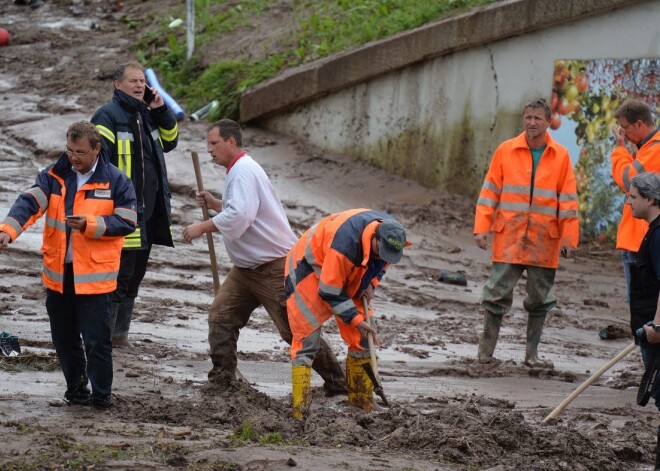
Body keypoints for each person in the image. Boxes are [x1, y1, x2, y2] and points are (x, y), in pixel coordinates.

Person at [182, 119, 347, 395]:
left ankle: (338, 383)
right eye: (208, 144)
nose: (209, 150)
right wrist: (216, 204)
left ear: (231, 142)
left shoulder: (243, 171)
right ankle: (223, 379)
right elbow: (244, 208)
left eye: (214, 143)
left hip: (275, 267)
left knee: (294, 329)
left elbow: (240, 217)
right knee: (221, 316)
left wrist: (202, 226)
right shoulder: (239, 170)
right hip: (245, 269)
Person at [0, 121, 137, 408]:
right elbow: (29, 203)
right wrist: (8, 230)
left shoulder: (116, 181)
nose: (74, 157)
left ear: (96, 149)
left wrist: (89, 225)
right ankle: (76, 393)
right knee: (64, 341)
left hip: (95, 279)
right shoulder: (54, 175)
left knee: (97, 343)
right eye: (70, 150)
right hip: (60, 275)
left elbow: (127, 221)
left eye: (80, 152)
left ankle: (101, 398)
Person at [473, 98, 579, 367]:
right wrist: (481, 228)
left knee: (540, 299)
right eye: (528, 117)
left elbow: (568, 201)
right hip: (509, 237)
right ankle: (485, 354)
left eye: (537, 118)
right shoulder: (505, 150)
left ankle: (531, 356)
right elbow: (490, 192)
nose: (532, 122)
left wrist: (569, 238)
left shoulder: (561, 156)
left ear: (548, 122)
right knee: (495, 294)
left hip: (545, 241)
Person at [285, 209, 410, 419]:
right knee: (307, 340)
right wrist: (355, 319)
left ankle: (361, 402)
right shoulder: (345, 244)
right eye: (381, 252)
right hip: (310, 266)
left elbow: (381, 265)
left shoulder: (392, 238)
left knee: (363, 337)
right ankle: (300, 411)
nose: (384, 257)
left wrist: (372, 282)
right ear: (374, 239)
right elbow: (329, 291)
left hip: (351, 268)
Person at [91, 61, 179, 348]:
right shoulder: (107, 116)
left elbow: (170, 142)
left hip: (150, 212)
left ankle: (120, 335)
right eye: (133, 81)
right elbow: (97, 164)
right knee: (120, 276)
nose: (140, 85)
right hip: (123, 212)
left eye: (142, 81)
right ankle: (106, 336)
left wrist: (161, 110)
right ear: (118, 85)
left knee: (135, 275)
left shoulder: (148, 114)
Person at [627, 173, 660, 471]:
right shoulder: (653, 231)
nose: (629, 201)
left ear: (650, 199)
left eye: (633, 196)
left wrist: (658, 327)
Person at [611, 99, 660, 301]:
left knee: (641, 306)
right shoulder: (647, 148)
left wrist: (620, 149)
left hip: (641, 242)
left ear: (640, 124)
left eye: (625, 128)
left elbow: (627, 179)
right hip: (639, 240)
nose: (623, 134)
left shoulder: (655, 150)